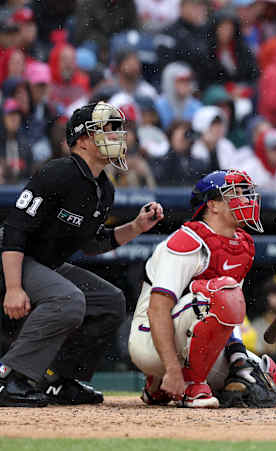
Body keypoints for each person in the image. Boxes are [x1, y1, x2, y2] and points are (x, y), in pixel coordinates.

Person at [0, 102, 164, 407]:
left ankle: (59, 380)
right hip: (10, 258)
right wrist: (13, 287)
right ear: (83, 139)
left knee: (109, 300)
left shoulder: (104, 187)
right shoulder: (58, 172)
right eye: (107, 129)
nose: (117, 135)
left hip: (41, 263)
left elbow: (92, 244)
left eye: (118, 129)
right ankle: (12, 378)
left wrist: (137, 227)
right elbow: (15, 229)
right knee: (69, 299)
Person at [128, 170, 276, 408]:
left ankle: (159, 387)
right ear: (213, 205)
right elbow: (157, 309)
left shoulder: (241, 246)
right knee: (219, 292)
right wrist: (173, 368)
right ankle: (189, 385)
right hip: (149, 339)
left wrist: (238, 357)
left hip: (191, 336)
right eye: (235, 194)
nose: (245, 200)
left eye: (245, 194)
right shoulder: (186, 241)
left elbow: (230, 312)